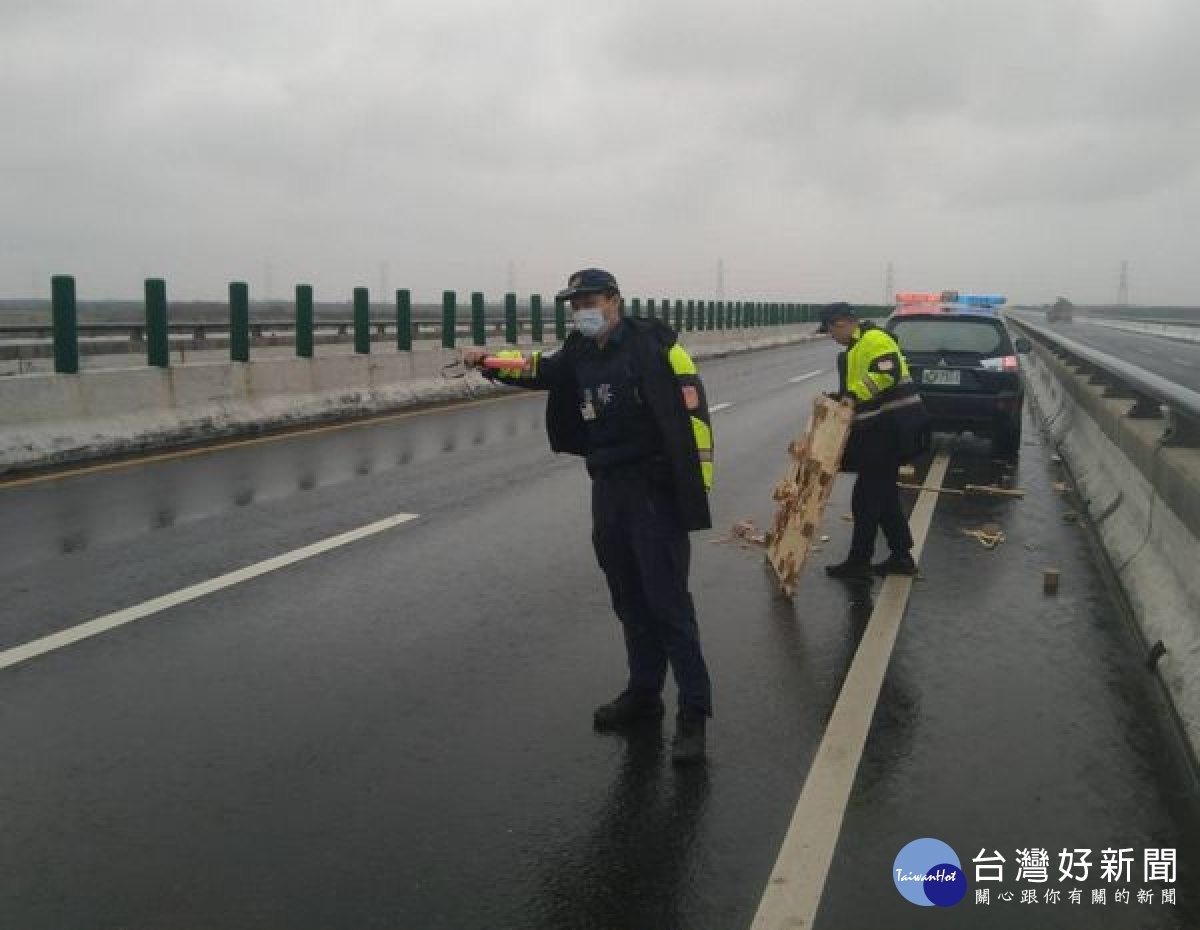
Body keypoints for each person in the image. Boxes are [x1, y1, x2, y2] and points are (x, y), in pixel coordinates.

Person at [460, 268, 715, 764]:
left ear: (616, 300)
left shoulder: (657, 349)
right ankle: (643, 695)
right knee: (629, 600)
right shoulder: (580, 351)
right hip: (609, 489)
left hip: (654, 493)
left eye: (589, 300)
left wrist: (690, 495)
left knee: (669, 607)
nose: (581, 310)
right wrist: (488, 360)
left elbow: (694, 426)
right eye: (574, 304)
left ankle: (694, 714)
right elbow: (541, 369)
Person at [820, 302, 930, 580]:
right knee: (884, 496)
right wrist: (841, 398)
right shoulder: (856, 348)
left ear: (841, 323)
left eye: (831, 331)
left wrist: (853, 395)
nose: (832, 338)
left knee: (867, 498)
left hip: (893, 429)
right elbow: (864, 389)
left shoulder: (875, 339)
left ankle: (859, 562)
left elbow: (886, 373)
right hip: (881, 431)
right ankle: (901, 556)